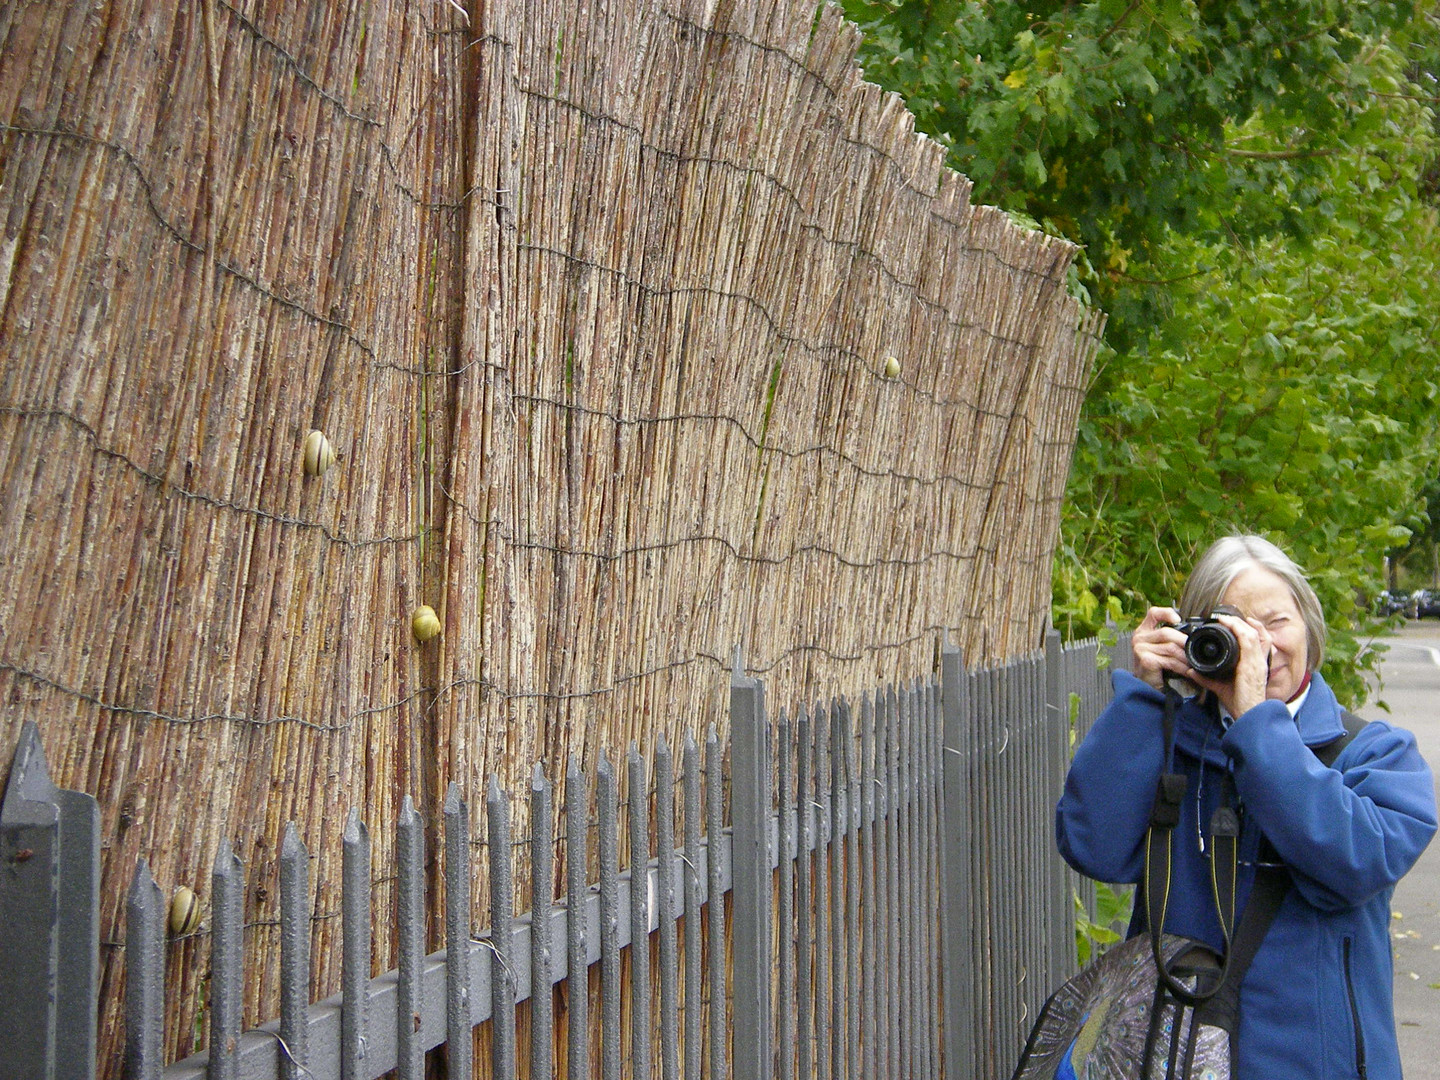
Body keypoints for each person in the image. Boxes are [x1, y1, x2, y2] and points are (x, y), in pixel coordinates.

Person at [1057, 535, 1437, 1079]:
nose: (1261, 645)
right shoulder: (1169, 748)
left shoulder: (1375, 753)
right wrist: (1143, 698)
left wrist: (1257, 724)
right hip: (1175, 1060)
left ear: (1310, 626)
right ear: (1198, 640)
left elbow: (1355, 865)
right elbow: (1091, 847)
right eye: (1236, 626)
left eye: (1277, 621)